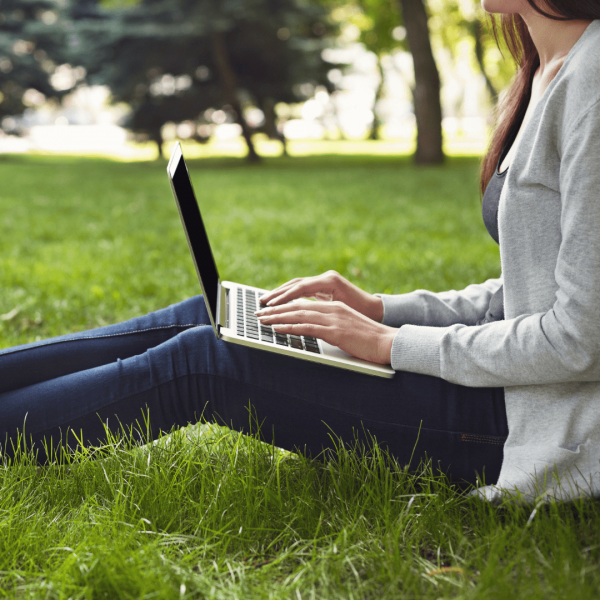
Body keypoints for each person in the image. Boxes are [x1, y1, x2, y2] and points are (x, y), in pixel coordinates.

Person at [1, 0, 599, 502]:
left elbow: (577, 339)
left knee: (208, 360)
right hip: (503, 383)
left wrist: (389, 345)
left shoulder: (593, 81)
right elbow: (529, 288)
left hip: (527, 422)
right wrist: (381, 309)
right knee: (210, 313)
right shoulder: (547, 65)